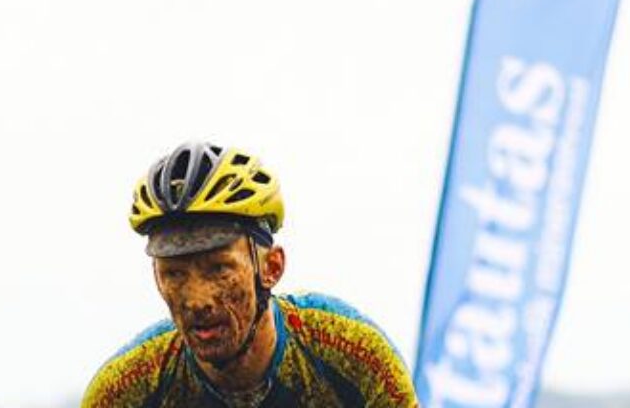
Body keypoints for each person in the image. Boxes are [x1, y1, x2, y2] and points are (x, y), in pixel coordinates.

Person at [82, 141, 419, 408]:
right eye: (175, 274)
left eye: (219, 269)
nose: (197, 300)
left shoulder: (354, 354)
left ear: (271, 268)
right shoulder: (124, 390)